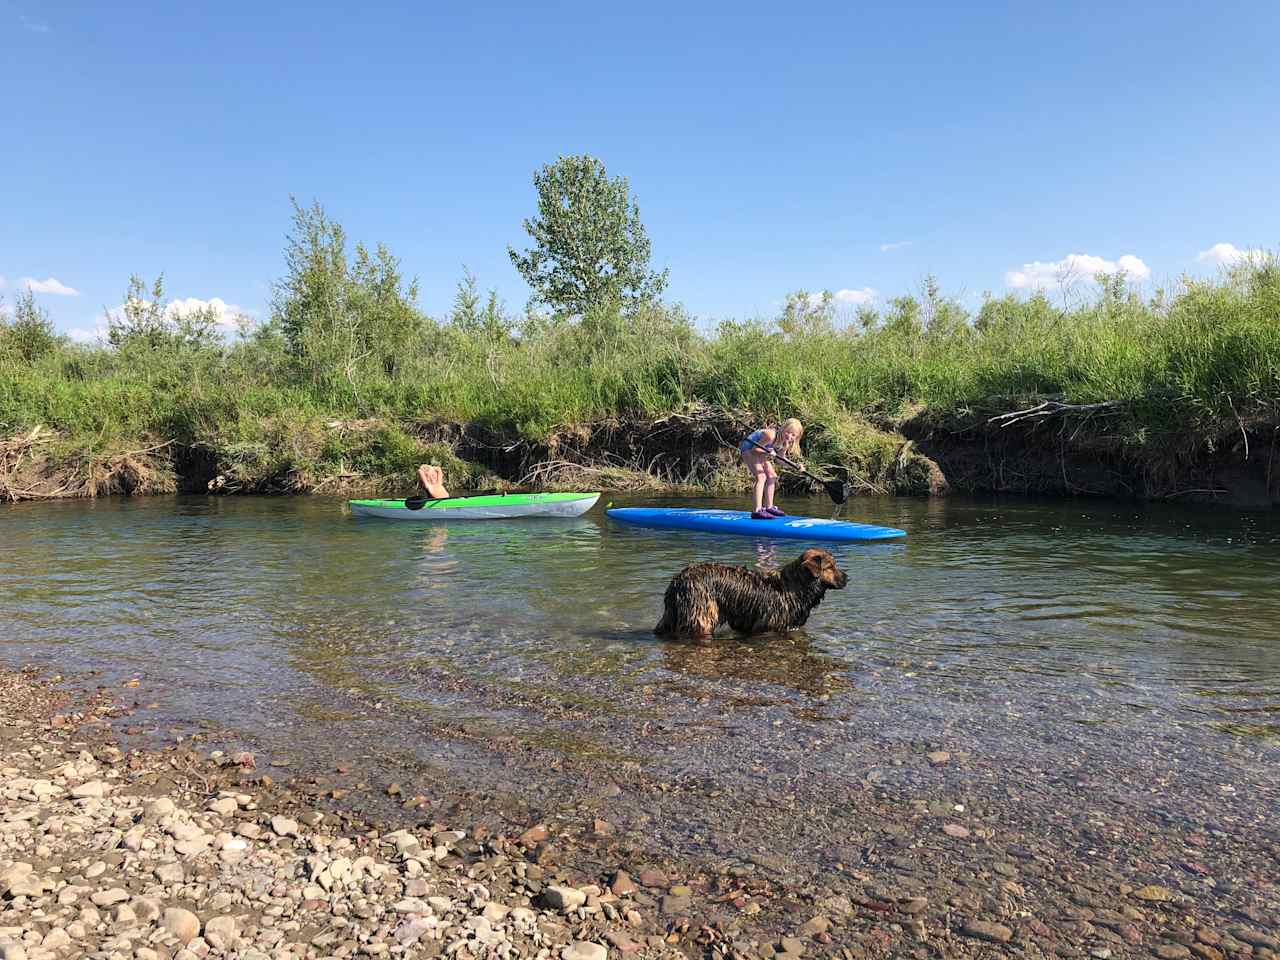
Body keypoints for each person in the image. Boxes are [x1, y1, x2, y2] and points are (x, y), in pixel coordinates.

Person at [739, 418, 804, 519]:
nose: (789, 436)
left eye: (793, 435)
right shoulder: (771, 436)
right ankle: (757, 510)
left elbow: (780, 460)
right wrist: (767, 452)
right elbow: (754, 449)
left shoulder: (785, 443)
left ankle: (769, 507)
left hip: (760, 452)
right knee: (761, 476)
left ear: (796, 437)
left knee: (772, 476)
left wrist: (795, 466)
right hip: (748, 449)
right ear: (783, 428)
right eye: (788, 432)